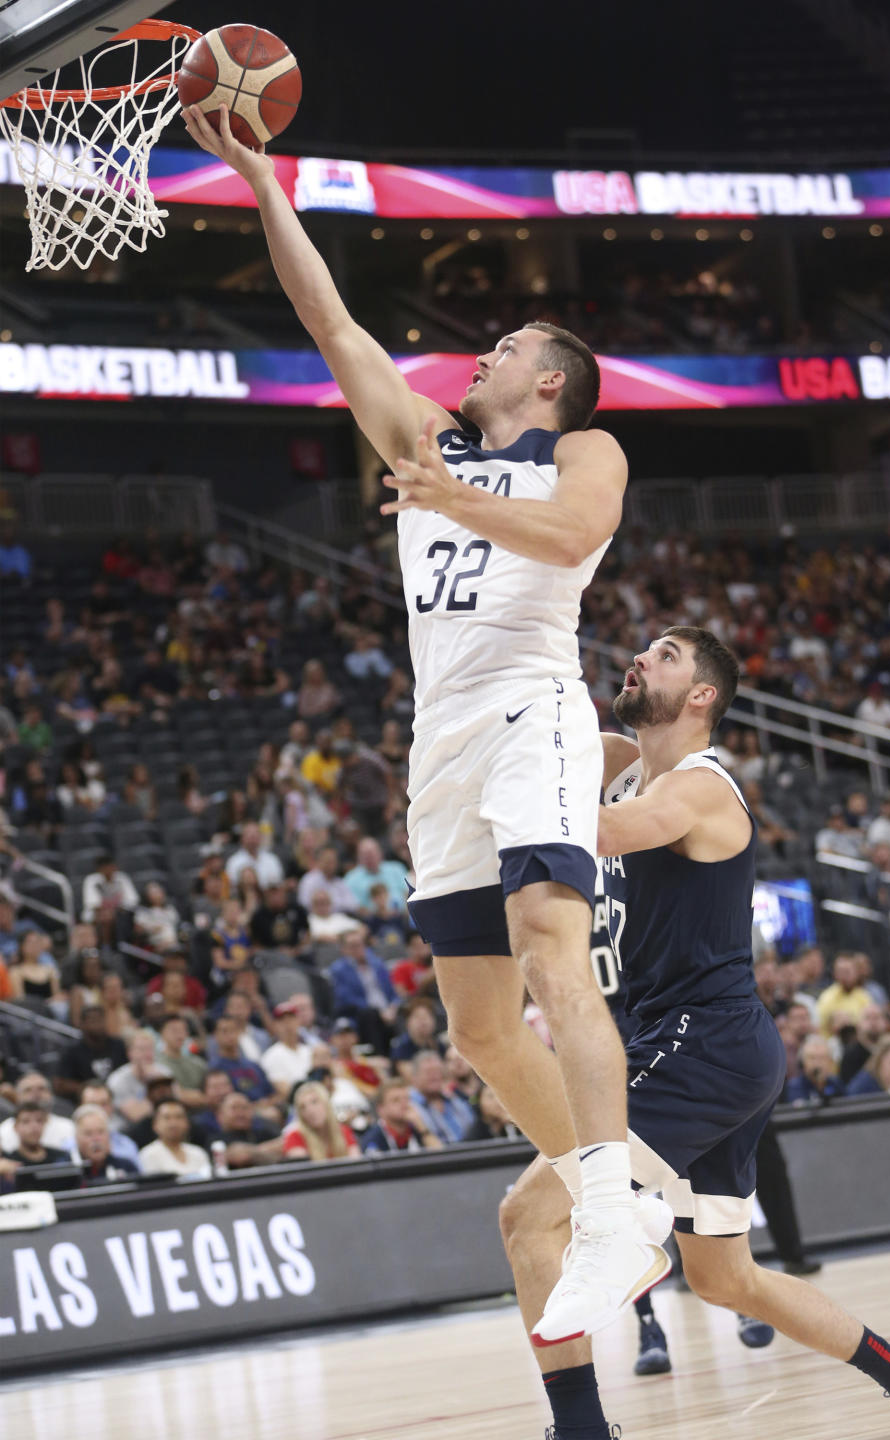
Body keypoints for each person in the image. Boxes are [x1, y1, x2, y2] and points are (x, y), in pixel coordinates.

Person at [183, 102, 641, 1337]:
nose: (477, 354)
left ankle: (605, 1211)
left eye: (504, 344)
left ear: (549, 378)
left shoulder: (582, 449)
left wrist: (451, 495)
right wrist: (259, 179)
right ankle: (639, 1195)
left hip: (533, 708)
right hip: (440, 747)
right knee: (483, 1029)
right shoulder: (423, 440)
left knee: (551, 942)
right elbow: (328, 318)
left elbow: (575, 536)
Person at [498, 627, 890, 1437]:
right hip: (706, 1045)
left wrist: (507, 810)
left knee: (530, 1215)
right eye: (643, 650)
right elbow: (554, 736)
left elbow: (600, 833)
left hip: (699, 1042)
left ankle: (578, 1429)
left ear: (703, 694)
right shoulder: (625, 762)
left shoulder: (701, 787)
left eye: (666, 655)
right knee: (725, 1279)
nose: (640, 658)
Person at [54, 1004, 127, 1100]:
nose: (97, 1024)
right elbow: (60, 1084)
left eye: (100, 1020)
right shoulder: (72, 1051)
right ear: (82, 1024)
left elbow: (128, 1070)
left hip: (118, 1096)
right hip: (85, 1099)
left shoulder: (118, 1045)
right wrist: (88, 1088)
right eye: (92, 1020)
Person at [282, 1081, 359, 1162]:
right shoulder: (295, 1137)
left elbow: (357, 1164)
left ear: (326, 1103)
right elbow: (302, 1171)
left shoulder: (343, 1131)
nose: (310, 1110)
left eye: (314, 1102)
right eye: (303, 1107)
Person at [0, 1072, 75, 1155]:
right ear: (17, 1096)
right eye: (28, 1090)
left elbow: (76, 1163)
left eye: (41, 1088)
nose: (36, 1094)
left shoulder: (68, 1127)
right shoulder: (4, 1130)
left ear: (51, 1094)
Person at [361, 1078, 442, 1153]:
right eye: (396, 1100)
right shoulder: (373, 1139)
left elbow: (440, 1156)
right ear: (381, 1109)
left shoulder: (417, 1131)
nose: (404, 1104)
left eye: (407, 1098)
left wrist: (422, 1127)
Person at [139, 1098, 212, 1179]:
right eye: (167, 1118)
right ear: (155, 1125)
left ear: (187, 1123)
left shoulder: (198, 1153)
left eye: (179, 1117)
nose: (173, 1123)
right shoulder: (148, 1154)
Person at [74, 1104, 140, 1186]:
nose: (96, 1139)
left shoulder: (126, 1167)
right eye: (88, 1134)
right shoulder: (68, 1172)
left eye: (101, 1132)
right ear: (77, 1138)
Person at [6, 1103, 72, 1167]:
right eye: (26, 1121)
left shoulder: (62, 1157)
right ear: (15, 1127)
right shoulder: (8, 1162)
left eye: (39, 1121)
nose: (34, 1126)